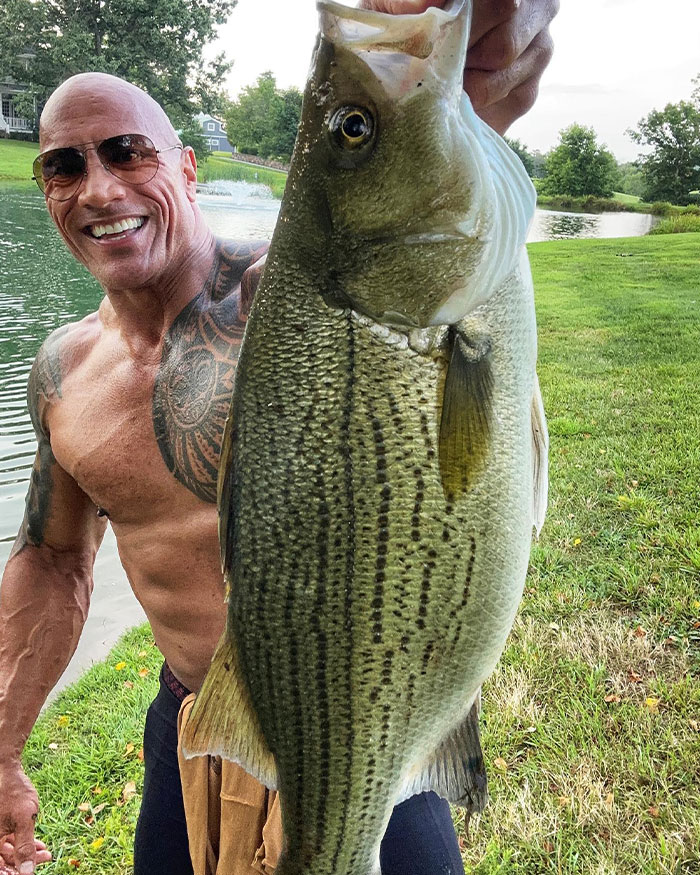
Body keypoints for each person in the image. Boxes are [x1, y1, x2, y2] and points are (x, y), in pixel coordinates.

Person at [0, 1, 558, 873]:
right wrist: (2, 752)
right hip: (197, 723)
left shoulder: (295, 290)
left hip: (368, 729)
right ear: (47, 191)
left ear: (185, 167)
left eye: (126, 151)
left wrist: (470, 89)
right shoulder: (61, 373)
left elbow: (396, 202)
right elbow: (53, 560)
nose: (99, 187)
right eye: (64, 165)